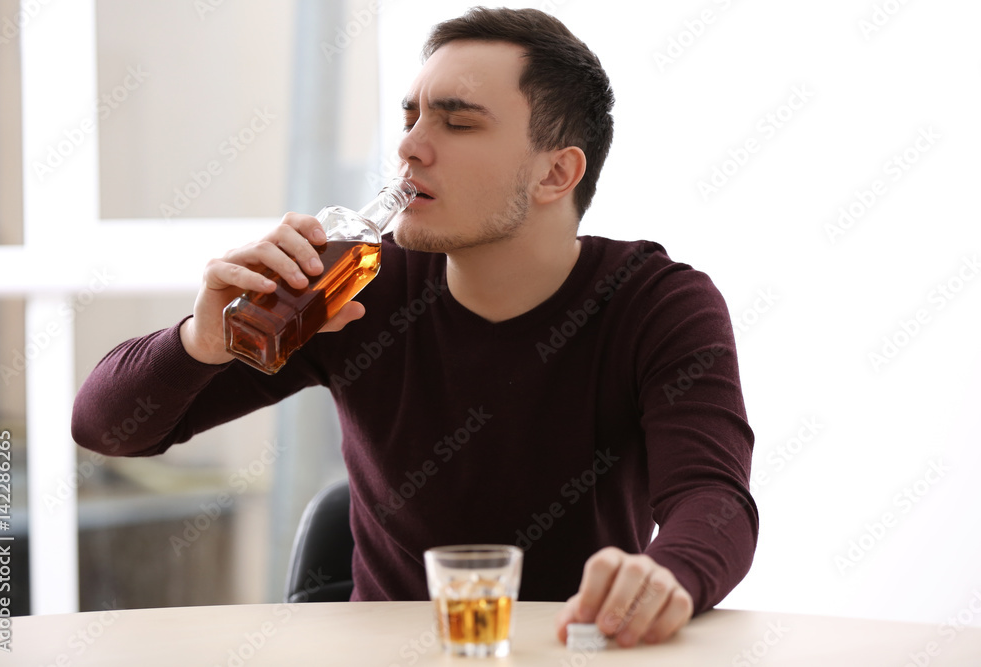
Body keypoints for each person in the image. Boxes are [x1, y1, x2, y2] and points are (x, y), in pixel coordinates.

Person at [72, 7, 758, 648]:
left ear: (556, 171)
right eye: (411, 116)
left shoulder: (657, 304)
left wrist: (668, 574)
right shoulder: (356, 287)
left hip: (579, 650)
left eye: (456, 123)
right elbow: (106, 427)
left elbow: (713, 497)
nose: (410, 146)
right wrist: (200, 339)